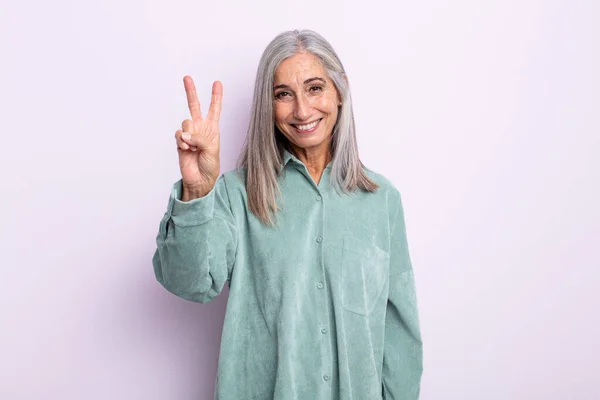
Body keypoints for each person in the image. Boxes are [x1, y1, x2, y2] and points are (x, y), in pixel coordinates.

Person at [152, 29, 423, 400]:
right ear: (269, 104)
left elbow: (399, 332)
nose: (302, 110)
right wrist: (198, 191)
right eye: (283, 94)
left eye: (315, 88)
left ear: (340, 91)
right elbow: (190, 283)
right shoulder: (236, 193)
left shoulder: (382, 200)